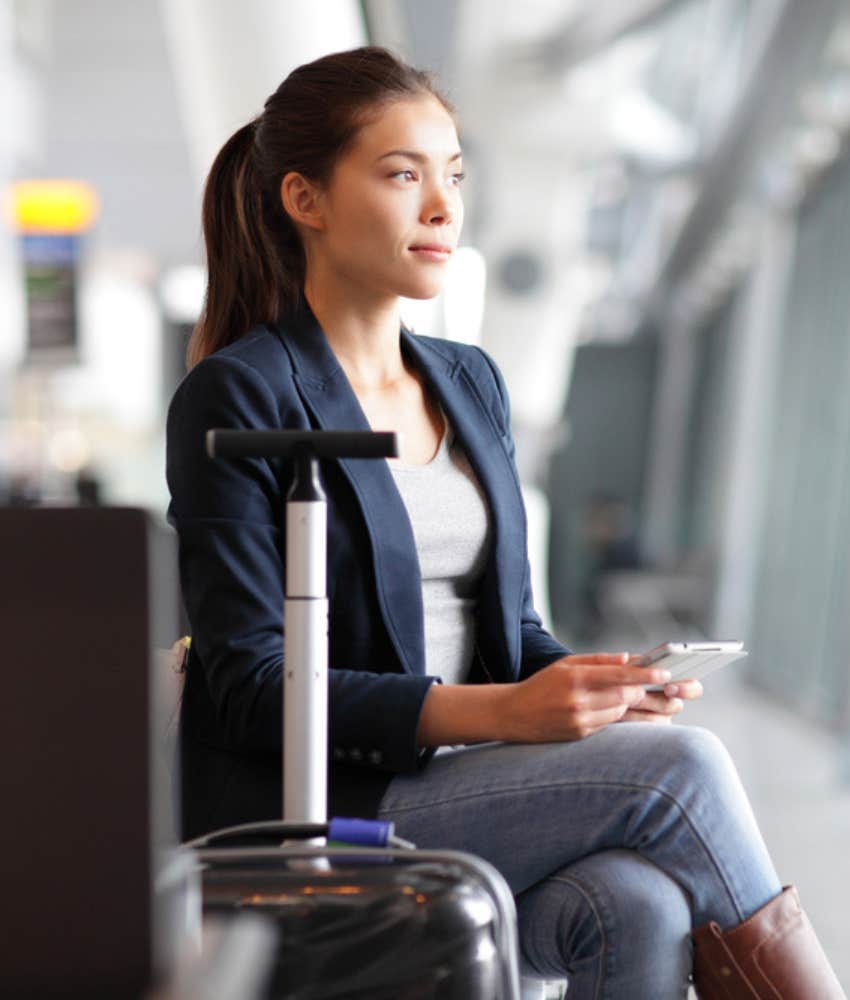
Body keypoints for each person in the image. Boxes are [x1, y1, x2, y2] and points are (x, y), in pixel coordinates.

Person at [166, 46, 844, 999]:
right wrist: (501, 713)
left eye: (453, 175)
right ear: (304, 200)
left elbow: (511, 631)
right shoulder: (239, 395)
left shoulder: (468, 380)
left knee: (635, 901)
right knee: (679, 771)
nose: (443, 207)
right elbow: (249, 688)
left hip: (467, 780)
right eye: (403, 175)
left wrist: (589, 684)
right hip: (328, 803)